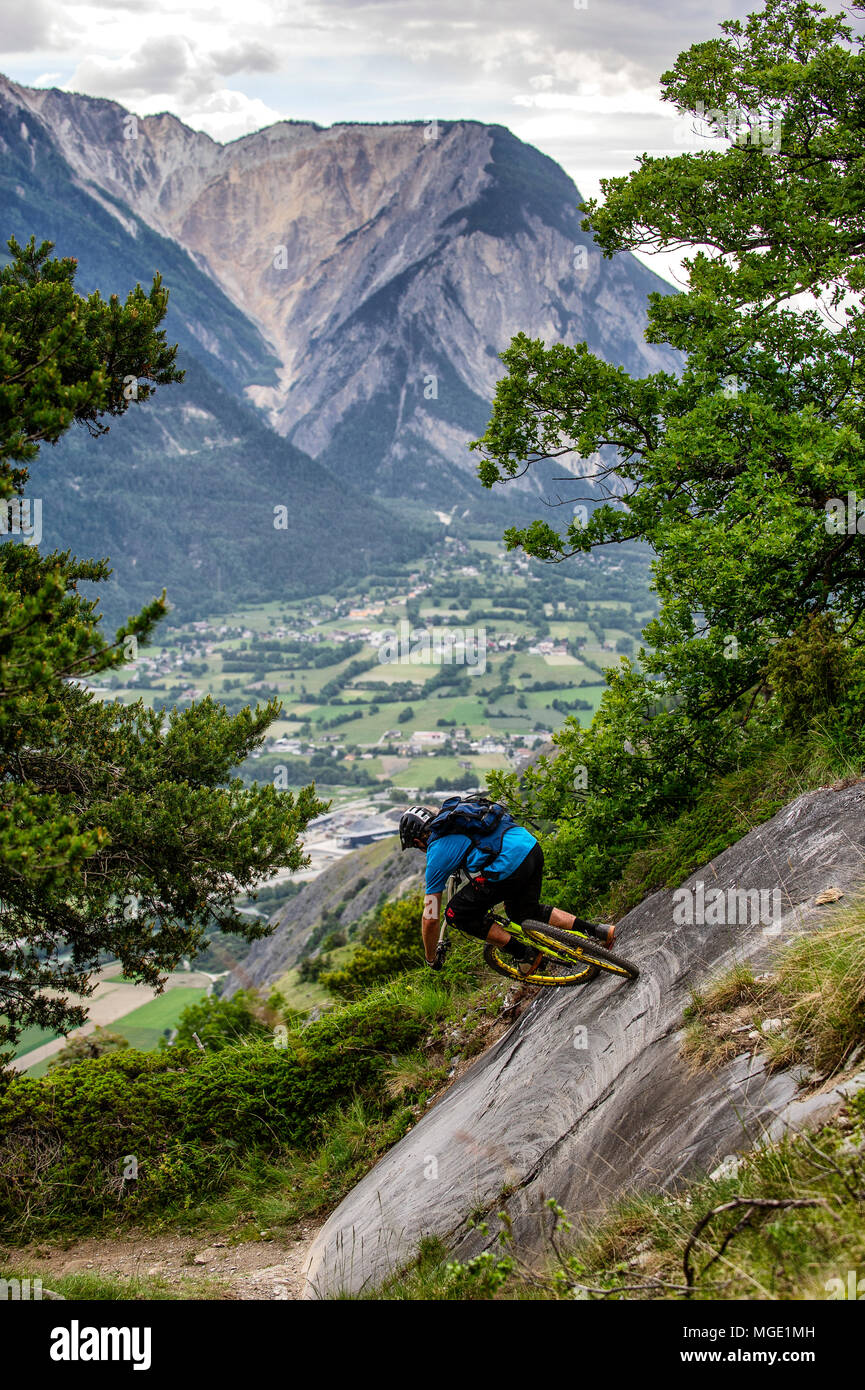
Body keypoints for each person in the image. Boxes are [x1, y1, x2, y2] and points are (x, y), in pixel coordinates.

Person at [399, 803, 615, 977]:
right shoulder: (456, 817)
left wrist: (431, 958)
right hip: (529, 846)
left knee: (456, 913)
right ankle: (598, 931)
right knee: (525, 913)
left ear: (418, 841)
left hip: (508, 865)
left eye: (417, 847)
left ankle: (524, 954)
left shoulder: (436, 852)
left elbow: (430, 918)